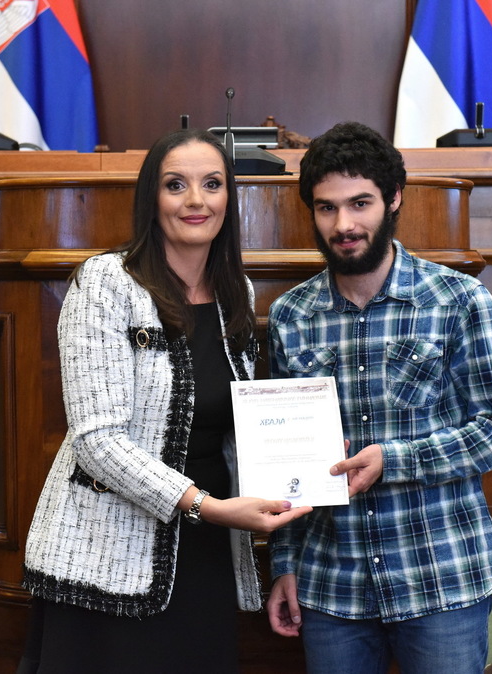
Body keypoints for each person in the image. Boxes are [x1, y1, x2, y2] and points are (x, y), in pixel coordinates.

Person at [16, 127, 311, 673]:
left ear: (229, 199)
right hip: (110, 550)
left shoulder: (235, 293)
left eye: (212, 184)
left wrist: (307, 465)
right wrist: (205, 506)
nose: (196, 200)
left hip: (208, 548)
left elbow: (241, 427)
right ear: (151, 199)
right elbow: (97, 442)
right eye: (176, 185)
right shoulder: (106, 282)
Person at [266, 121, 492, 673]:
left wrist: (395, 460)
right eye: (327, 208)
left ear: (394, 199)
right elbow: (282, 461)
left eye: (360, 203)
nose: (344, 224)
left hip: (441, 578)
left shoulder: (458, 299)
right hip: (331, 585)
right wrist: (283, 564)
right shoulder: (290, 315)